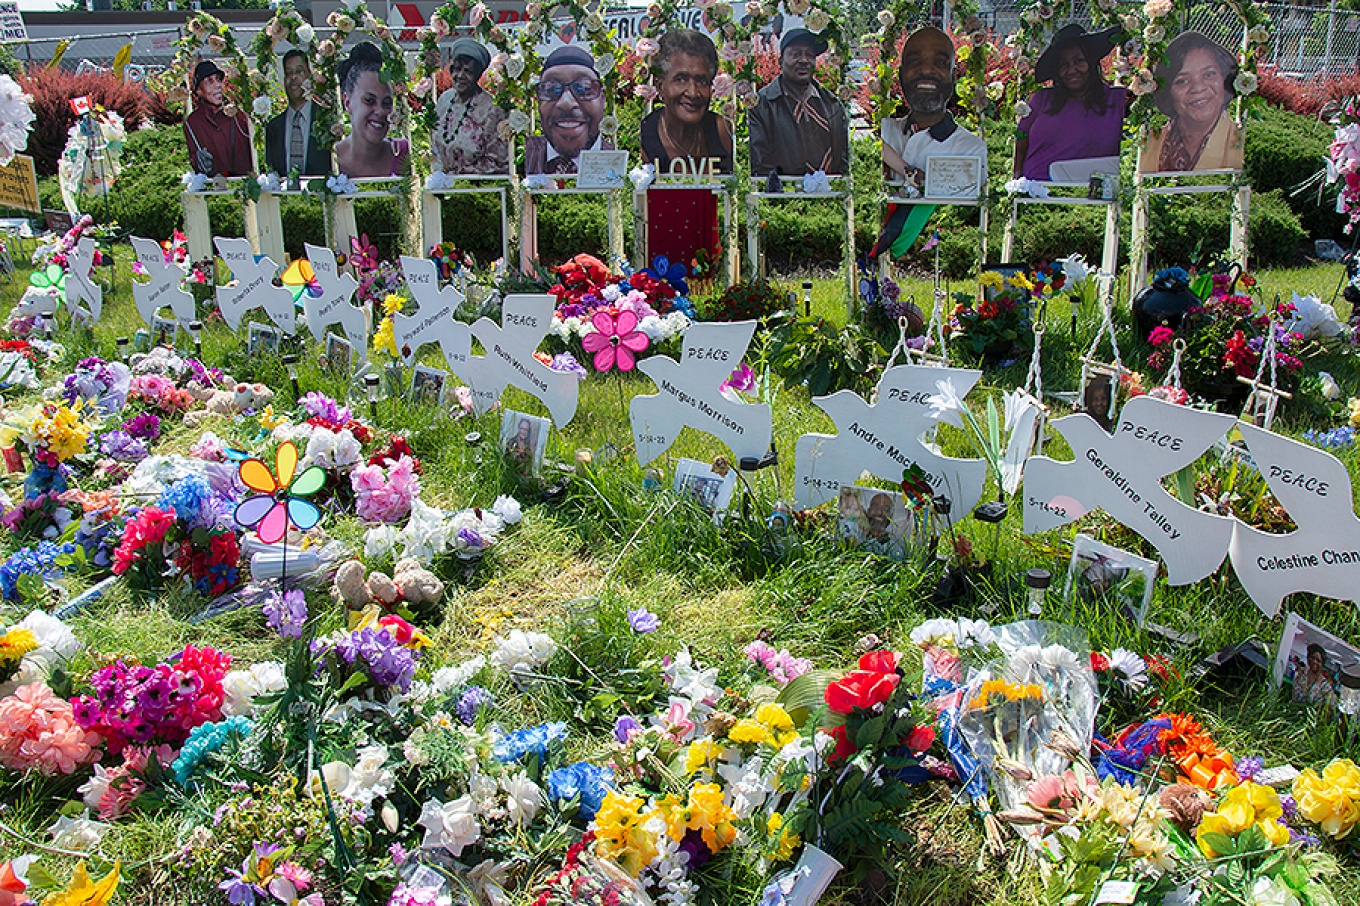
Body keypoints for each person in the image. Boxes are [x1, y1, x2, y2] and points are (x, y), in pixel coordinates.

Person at [1013, 24, 1126, 182]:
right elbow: (1021, 140)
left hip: (1089, 198)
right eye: (1063, 65)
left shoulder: (1116, 100)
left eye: (1079, 61)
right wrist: (1016, 181)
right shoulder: (1042, 99)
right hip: (1036, 192)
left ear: (1092, 62)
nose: (1072, 70)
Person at [881, 26, 987, 189]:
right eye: (915, 61)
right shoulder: (884, 131)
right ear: (901, 75)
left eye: (939, 62)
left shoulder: (970, 149)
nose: (926, 70)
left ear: (953, 76)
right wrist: (906, 170)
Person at [748, 28, 849, 178]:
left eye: (810, 55)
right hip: (784, 196)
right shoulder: (762, 106)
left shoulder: (832, 105)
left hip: (830, 195)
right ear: (781, 62)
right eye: (795, 54)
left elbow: (842, 160)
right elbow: (761, 163)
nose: (804, 60)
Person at [1140, 32, 1243, 174]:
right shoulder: (1150, 143)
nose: (1198, 88)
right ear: (1168, 91)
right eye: (1182, 81)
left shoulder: (1241, 141)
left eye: (1209, 74)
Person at [640, 29, 733, 175]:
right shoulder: (643, 138)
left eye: (702, 81)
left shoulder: (723, 130)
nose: (693, 92)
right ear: (660, 86)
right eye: (680, 79)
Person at [525, 45, 609, 175]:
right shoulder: (518, 158)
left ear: (603, 100)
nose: (566, 103)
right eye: (551, 89)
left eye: (584, 88)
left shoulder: (627, 164)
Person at [431, 37, 509, 175]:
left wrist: (459, 176)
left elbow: (497, 161)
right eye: (456, 69)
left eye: (468, 71)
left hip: (476, 188)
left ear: (477, 75)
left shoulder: (490, 109)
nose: (460, 75)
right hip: (440, 182)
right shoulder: (445, 100)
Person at [335, 42, 409, 179]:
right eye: (369, 101)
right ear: (347, 102)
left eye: (386, 103)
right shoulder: (331, 160)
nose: (380, 111)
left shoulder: (405, 154)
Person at [265, 49, 331, 177]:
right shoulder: (274, 127)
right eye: (289, 73)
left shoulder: (327, 121)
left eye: (300, 72)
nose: (294, 77)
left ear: (309, 76)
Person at [184, 60, 253, 177]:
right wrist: (198, 160)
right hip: (214, 189)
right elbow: (193, 157)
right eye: (209, 81)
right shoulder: (192, 123)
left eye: (218, 79)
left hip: (244, 185)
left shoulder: (238, 114)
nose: (217, 85)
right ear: (198, 90)